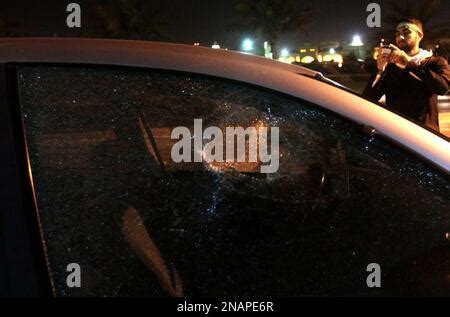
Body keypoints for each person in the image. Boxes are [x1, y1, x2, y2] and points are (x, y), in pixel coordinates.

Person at [363, 18, 450, 131]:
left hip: (425, 133)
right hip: (397, 133)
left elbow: (443, 88)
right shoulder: (391, 67)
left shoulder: (435, 62)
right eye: (397, 34)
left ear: (420, 35)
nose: (400, 37)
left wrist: (409, 63)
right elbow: (369, 99)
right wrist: (380, 70)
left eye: (406, 32)